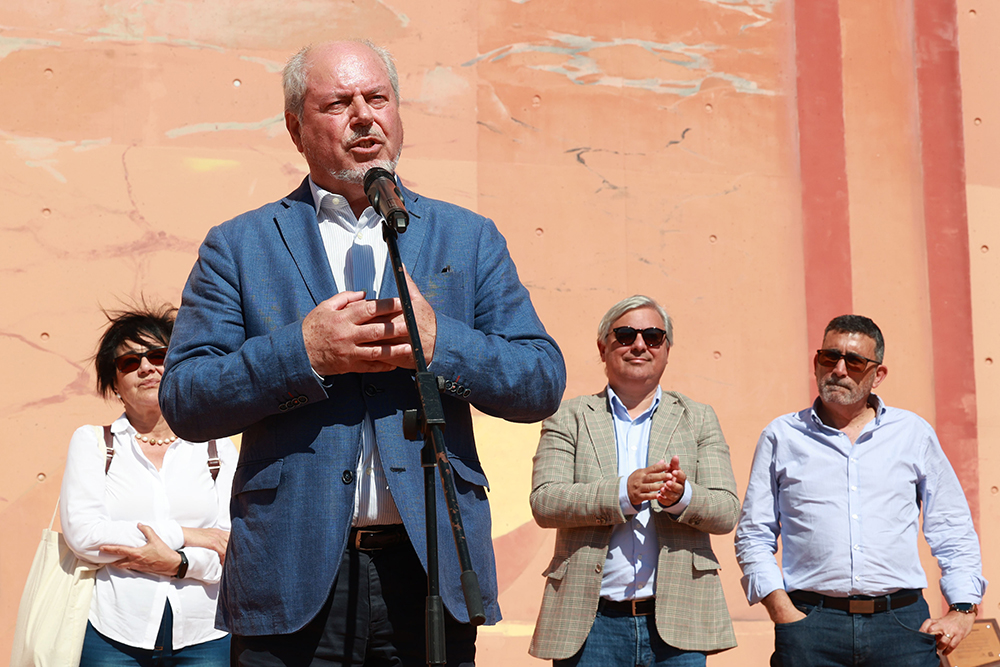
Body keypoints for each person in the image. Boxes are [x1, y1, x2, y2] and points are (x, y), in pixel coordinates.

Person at [158, 39, 566, 666]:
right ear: (295, 128)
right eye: (338, 103)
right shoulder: (238, 246)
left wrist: (442, 345)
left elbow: (540, 380)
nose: (363, 116)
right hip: (290, 572)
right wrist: (302, 353)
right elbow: (186, 398)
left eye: (377, 98)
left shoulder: (467, 237)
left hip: (430, 568)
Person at [734, 314, 987, 666]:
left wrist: (962, 607)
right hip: (811, 627)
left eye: (854, 361)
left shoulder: (912, 433)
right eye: (829, 357)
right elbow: (753, 534)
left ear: (878, 375)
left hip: (901, 628)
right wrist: (782, 610)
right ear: (816, 363)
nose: (838, 370)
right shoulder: (782, 436)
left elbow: (951, 525)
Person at [529, 295, 738, 666]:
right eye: (626, 335)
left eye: (653, 337)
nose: (640, 345)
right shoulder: (569, 417)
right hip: (590, 623)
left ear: (666, 350)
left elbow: (726, 510)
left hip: (678, 622)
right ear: (603, 348)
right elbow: (545, 501)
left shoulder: (698, 418)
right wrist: (622, 494)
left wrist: (682, 498)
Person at [60, 305, 237, 665]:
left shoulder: (217, 447)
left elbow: (233, 546)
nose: (146, 367)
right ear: (114, 383)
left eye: (159, 356)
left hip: (205, 634)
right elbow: (85, 535)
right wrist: (190, 535)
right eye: (129, 362)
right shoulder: (94, 443)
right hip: (113, 632)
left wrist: (179, 563)